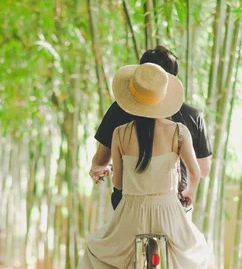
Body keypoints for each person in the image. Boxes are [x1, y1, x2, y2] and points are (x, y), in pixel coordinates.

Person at [77, 63, 227, 269]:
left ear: (131, 100)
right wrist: (189, 191)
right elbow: (195, 172)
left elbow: (120, 182)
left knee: (95, 251)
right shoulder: (179, 131)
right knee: (197, 251)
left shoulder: (119, 133)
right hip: (168, 210)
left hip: (131, 213)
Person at [90, 46, 212, 218]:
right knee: (193, 244)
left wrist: (106, 168)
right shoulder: (190, 119)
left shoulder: (119, 112)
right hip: (174, 209)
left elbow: (103, 164)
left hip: (127, 209)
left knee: (98, 244)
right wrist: (189, 189)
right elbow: (202, 170)